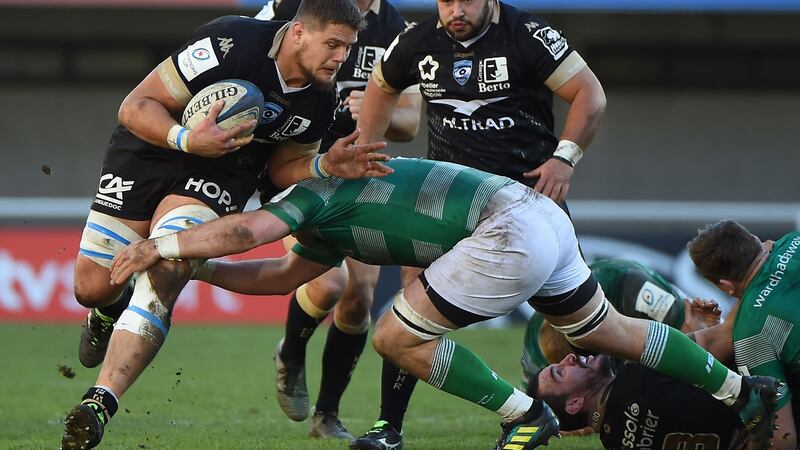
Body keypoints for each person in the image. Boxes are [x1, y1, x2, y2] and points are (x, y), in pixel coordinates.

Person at [109, 158, 779, 450]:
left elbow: (249, 230)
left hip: (505, 229)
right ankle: (739, 390)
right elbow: (282, 274)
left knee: (394, 338)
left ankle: (529, 415)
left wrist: (164, 247)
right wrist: (204, 271)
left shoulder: (311, 189)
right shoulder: (315, 213)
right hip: (540, 218)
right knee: (612, 330)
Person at [61, 2, 393, 449]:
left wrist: (322, 163)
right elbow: (135, 105)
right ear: (297, 34)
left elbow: (282, 170)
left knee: (170, 264)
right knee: (93, 287)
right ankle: (106, 310)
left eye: (347, 48)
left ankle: (99, 402)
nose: (340, 58)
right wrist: (187, 138)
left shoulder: (319, 97)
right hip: (149, 152)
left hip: (222, 173)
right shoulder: (229, 42)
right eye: (332, 45)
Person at [349, 0, 607, 446]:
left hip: (528, 204)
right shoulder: (418, 40)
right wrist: (366, 148)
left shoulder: (526, 35)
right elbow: (381, 84)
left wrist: (564, 160)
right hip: (447, 200)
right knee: (407, 309)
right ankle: (389, 427)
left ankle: (609, 407)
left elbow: (591, 93)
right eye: (446, 0)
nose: (456, 9)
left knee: (578, 327)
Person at [254, 0, 422, 440]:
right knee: (329, 283)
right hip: (295, 165)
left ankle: (326, 416)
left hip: (355, 172)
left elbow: (409, 120)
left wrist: (376, 108)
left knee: (360, 296)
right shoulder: (295, 9)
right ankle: (291, 353)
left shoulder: (397, 29)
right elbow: (249, 64)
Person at [522, 258, 724, 388]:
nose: (571, 363)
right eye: (561, 370)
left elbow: (695, 345)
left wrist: (703, 334)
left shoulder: (631, 288)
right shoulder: (537, 350)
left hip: (630, 297)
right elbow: (537, 401)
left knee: (697, 341)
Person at [688, 220, 800, 450]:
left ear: (727, 286)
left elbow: (783, 440)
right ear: (756, 241)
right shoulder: (793, 240)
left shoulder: (750, 339)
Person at [530, 353, 751, 449]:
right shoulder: (636, 375)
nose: (569, 358)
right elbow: (720, 338)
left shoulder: (613, 443)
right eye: (560, 373)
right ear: (574, 404)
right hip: (773, 402)